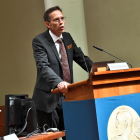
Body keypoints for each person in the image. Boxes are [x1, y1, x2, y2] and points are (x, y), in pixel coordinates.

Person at [32, 6, 93, 138]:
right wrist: (58, 82)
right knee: (50, 137)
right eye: (56, 20)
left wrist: (96, 70)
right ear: (48, 24)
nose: (61, 22)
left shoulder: (67, 37)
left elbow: (81, 58)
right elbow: (43, 67)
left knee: (71, 135)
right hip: (48, 97)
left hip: (68, 97)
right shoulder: (39, 41)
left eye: (62, 18)